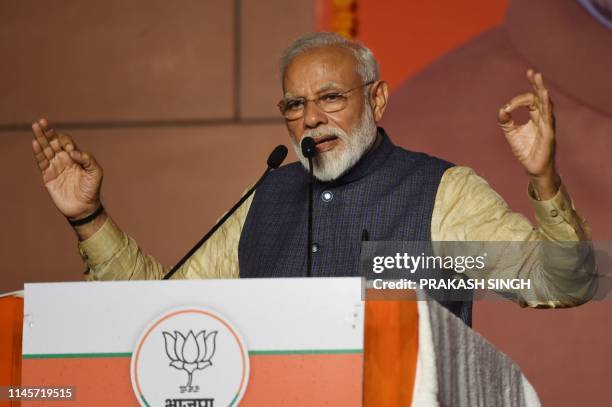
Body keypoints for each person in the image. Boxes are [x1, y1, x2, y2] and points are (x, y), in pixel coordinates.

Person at [30, 33, 596, 326]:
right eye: (295, 104)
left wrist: (544, 181)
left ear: (377, 98)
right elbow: (160, 313)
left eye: (330, 97)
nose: (311, 118)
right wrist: (89, 218)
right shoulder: (265, 197)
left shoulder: (442, 193)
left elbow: (560, 284)